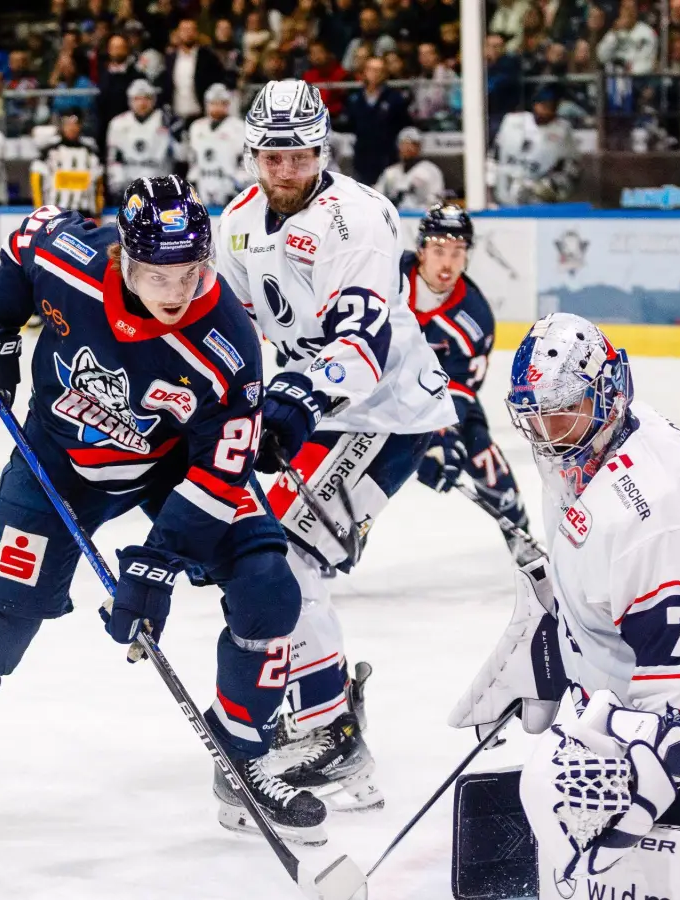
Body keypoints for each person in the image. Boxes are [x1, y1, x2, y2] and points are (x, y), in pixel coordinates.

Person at [0, 176, 328, 845]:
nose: (177, 291)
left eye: (191, 272)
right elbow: (23, 242)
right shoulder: (69, 255)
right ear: (124, 256)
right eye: (159, 275)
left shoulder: (228, 345)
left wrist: (155, 568)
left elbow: (221, 473)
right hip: (60, 465)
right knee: (0, 620)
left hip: (171, 465)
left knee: (269, 587)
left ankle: (244, 758)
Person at [448, 313, 680, 887]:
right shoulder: (605, 435)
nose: (548, 433)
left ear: (606, 394)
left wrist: (645, 772)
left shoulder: (654, 516)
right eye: (535, 416)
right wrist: (558, 637)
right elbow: (613, 579)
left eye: (563, 411)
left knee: (660, 876)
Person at [216, 80, 456, 811]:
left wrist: (294, 400)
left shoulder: (359, 219)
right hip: (313, 412)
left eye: (299, 154)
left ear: (322, 150)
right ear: (253, 154)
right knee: (263, 546)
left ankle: (333, 736)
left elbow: (360, 343)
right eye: (272, 155)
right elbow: (220, 327)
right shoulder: (235, 223)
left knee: (291, 554)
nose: (285, 169)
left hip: (385, 413)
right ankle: (318, 708)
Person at [398, 205, 537, 566]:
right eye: (439, 250)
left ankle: (520, 535)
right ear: (421, 250)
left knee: (478, 450)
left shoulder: (474, 318)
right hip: (371, 389)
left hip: (433, 397)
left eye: (458, 252)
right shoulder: (386, 279)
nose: (447, 263)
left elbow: (459, 390)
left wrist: (442, 433)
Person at [489, 88, 578, 206]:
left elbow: (571, 168)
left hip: (537, 200)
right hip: (503, 197)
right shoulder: (512, 121)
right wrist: (488, 185)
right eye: (544, 105)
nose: (548, 110)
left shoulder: (562, 130)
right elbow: (494, 156)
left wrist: (548, 187)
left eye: (552, 106)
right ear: (535, 104)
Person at [342, 55, 409, 186]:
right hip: (362, 157)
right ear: (364, 72)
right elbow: (350, 124)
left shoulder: (395, 99)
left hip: (387, 157)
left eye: (380, 70)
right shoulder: (354, 98)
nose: (375, 74)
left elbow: (403, 125)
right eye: (372, 69)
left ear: (385, 73)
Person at [106, 79, 174, 205]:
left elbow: (181, 155)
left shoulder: (165, 120)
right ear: (130, 100)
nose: (142, 103)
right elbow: (114, 159)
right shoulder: (118, 124)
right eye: (137, 98)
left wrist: (177, 134)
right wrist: (117, 185)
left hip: (160, 189)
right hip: (129, 189)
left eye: (147, 98)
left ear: (154, 100)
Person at [30, 112, 105, 215]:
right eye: (68, 124)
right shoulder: (49, 152)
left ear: (80, 126)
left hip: (84, 212)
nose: (72, 128)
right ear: (62, 126)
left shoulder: (91, 153)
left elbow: (98, 184)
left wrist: (97, 213)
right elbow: (37, 180)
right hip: (56, 212)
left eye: (75, 124)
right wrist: (39, 210)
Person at [183, 83, 244, 208]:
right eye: (213, 103)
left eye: (221, 103)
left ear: (228, 104)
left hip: (229, 187)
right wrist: (193, 182)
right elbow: (193, 159)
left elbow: (244, 161)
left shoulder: (238, 127)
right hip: (204, 184)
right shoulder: (197, 127)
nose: (217, 107)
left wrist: (239, 185)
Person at [373, 127, 445, 212]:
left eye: (412, 144)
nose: (407, 148)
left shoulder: (430, 170)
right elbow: (377, 197)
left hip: (420, 219)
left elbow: (436, 202)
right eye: (403, 144)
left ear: (419, 147)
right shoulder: (390, 173)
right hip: (397, 220)